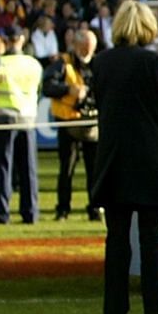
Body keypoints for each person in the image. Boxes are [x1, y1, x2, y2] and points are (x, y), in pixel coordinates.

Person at [90, 0, 158, 314]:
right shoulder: (153, 63)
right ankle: (155, 308)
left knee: (117, 236)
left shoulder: (101, 62)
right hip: (149, 157)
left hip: (113, 157)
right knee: (151, 236)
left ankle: (114, 308)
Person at [0, 26, 43, 225]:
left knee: (3, 168)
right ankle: (31, 212)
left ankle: (2, 212)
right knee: (28, 169)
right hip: (28, 120)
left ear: (6, 41)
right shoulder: (34, 64)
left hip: (4, 121)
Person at [43, 25, 101, 221]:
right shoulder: (62, 63)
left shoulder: (98, 63)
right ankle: (63, 209)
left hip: (91, 123)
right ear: (75, 45)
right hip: (68, 123)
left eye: (91, 48)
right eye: (84, 47)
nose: (88, 52)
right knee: (66, 168)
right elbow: (48, 86)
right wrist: (70, 90)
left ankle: (95, 208)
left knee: (95, 169)